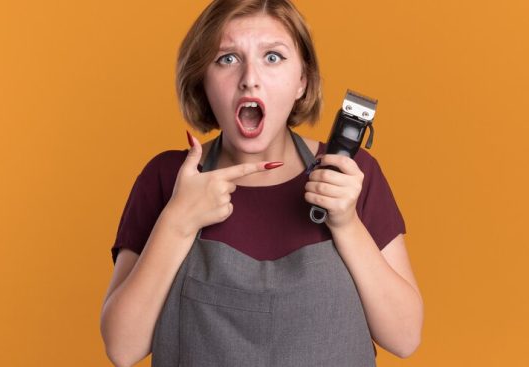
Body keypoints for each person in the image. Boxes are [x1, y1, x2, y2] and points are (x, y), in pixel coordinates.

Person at [100, 0, 424, 366]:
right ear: (202, 80)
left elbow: (405, 337)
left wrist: (347, 223)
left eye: (273, 57)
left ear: (302, 81)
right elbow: (122, 348)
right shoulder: (166, 178)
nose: (249, 78)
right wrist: (177, 223)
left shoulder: (351, 174)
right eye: (227, 59)